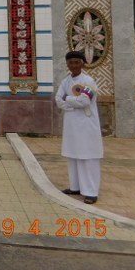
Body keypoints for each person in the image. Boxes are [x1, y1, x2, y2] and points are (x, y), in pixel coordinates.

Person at [55, 50, 103, 205]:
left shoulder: (89, 81)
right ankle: (75, 187)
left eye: (77, 62)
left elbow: (84, 102)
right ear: (67, 64)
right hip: (71, 125)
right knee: (73, 156)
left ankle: (91, 191)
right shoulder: (65, 81)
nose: (73, 65)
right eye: (71, 62)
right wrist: (71, 104)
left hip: (87, 126)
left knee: (87, 157)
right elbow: (57, 99)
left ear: (82, 63)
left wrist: (67, 99)